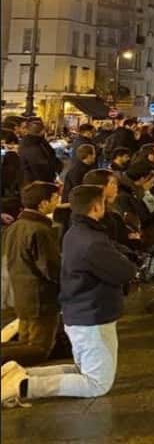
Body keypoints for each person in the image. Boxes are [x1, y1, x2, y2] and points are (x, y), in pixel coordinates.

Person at [1, 185, 138, 406]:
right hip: (91, 315)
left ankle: (20, 373)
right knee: (96, 384)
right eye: (104, 202)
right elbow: (125, 271)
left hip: (83, 313)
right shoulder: (91, 241)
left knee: (82, 369)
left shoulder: (74, 232)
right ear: (95, 207)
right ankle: (22, 386)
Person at [1, 182, 62, 366]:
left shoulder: (15, 226)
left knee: (25, 343)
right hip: (41, 299)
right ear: (43, 204)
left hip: (22, 296)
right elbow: (51, 269)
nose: (58, 201)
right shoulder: (40, 230)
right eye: (55, 198)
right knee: (38, 349)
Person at [18, 121, 63, 186]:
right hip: (39, 182)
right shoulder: (35, 145)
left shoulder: (28, 141)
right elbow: (41, 166)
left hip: (30, 180)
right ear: (42, 131)